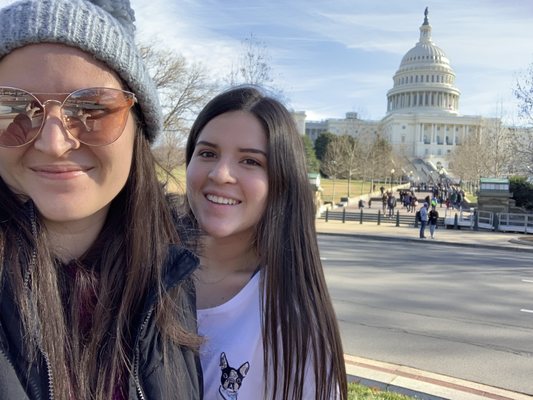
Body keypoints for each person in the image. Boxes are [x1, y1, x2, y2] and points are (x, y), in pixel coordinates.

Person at [0, 1, 202, 399]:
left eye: (92, 109)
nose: (53, 143)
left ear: (138, 128)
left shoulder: (171, 272)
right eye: (14, 107)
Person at [185, 86, 347, 399]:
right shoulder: (137, 270)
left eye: (250, 161)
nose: (220, 174)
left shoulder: (294, 322)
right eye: (207, 153)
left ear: (281, 181)